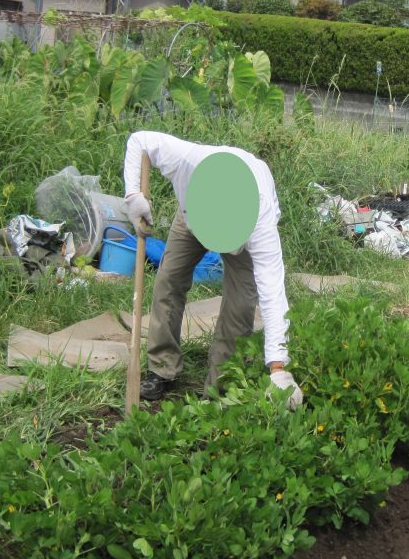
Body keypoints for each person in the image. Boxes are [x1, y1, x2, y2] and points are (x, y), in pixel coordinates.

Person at [122, 130, 302, 408]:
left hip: (242, 221)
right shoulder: (186, 161)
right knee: (169, 280)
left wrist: (278, 368)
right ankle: (162, 367)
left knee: (241, 303)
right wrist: (132, 194)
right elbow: (139, 140)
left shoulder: (260, 221)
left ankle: (220, 386)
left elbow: (273, 291)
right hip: (193, 213)